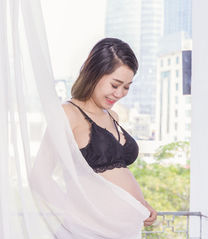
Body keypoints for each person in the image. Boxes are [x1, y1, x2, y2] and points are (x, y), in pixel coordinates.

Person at [61, 37, 157, 227]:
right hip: (89, 233)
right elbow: (39, 177)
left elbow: (117, 178)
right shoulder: (68, 113)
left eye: (126, 87)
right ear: (94, 74)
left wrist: (141, 205)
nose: (120, 93)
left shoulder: (113, 116)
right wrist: (79, 211)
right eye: (115, 85)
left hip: (122, 234)